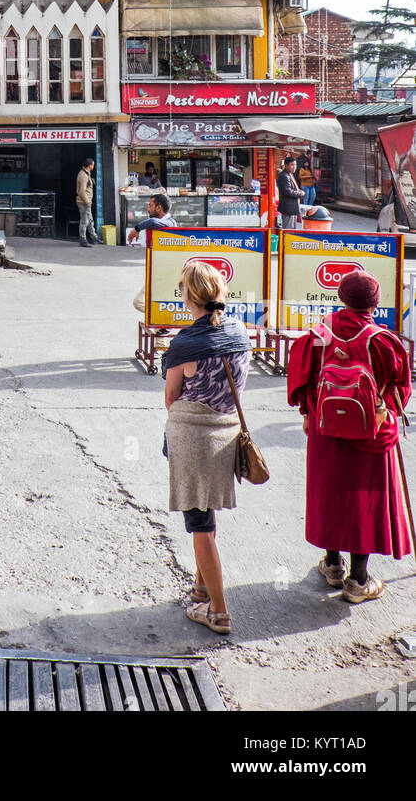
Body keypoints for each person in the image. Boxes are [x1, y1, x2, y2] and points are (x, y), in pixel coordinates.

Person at [287, 271, 412, 603]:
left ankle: (332, 564)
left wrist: (306, 413)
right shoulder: (382, 341)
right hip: (370, 433)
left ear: (341, 296)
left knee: (331, 493)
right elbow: (401, 388)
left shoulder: (319, 334)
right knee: (363, 501)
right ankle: (359, 580)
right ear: (374, 302)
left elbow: (300, 379)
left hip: (326, 428)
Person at [162, 260, 252, 635]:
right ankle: (201, 587)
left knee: (199, 524)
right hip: (227, 434)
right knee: (208, 516)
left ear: (188, 297)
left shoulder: (184, 344)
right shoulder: (240, 333)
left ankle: (218, 611)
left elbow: (171, 397)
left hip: (193, 441)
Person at [76, 157, 100, 246]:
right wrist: (87, 202)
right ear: (90, 166)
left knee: (90, 220)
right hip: (83, 202)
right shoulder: (83, 175)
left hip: (86, 202)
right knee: (84, 221)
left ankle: (94, 237)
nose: (94, 166)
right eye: (93, 164)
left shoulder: (87, 174)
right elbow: (81, 191)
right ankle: (83, 239)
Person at [276, 155, 303, 228]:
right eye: (292, 165)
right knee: (288, 229)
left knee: (292, 229)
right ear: (286, 165)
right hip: (288, 208)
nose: (294, 167)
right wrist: (299, 193)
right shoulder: (284, 176)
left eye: (295, 165)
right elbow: (287, 191)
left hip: (291, 207)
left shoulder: (289, 174)